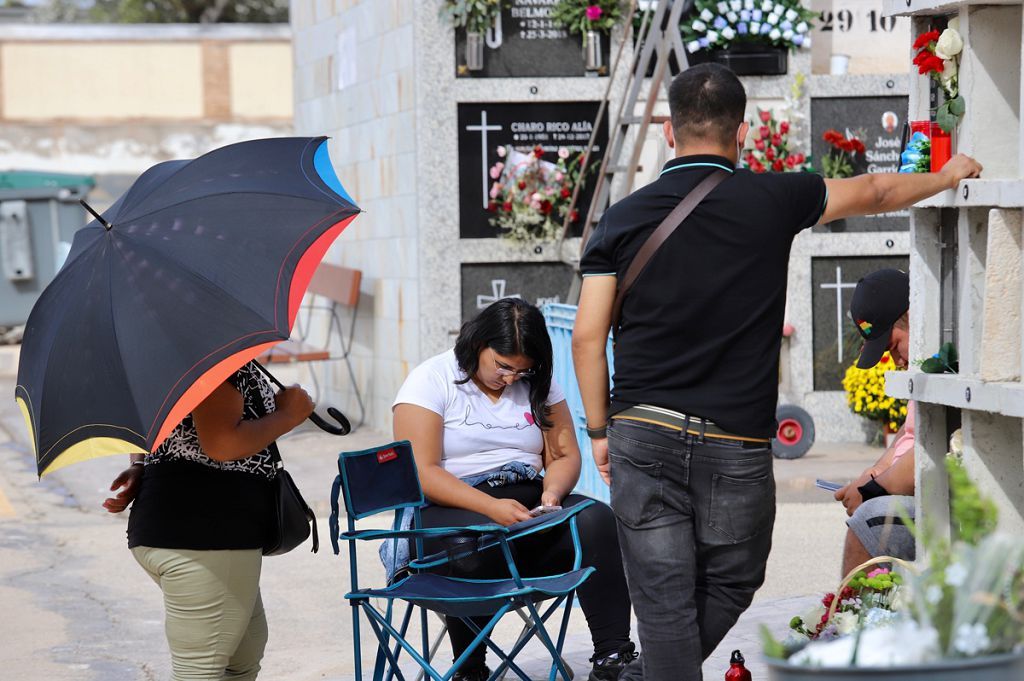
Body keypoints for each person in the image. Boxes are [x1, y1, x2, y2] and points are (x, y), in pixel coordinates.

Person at [571, 62, 983, 681]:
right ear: (742, 133)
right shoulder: (772, 197)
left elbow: (586, 334)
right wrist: (945, 175)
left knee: (662, 600)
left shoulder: (621, 218)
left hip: (641, 430)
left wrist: (599, 431)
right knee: (735, 580)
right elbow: (871, 191)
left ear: (669, 132)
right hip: (733, 442)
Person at [393, 298, 637, 681]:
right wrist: (490, 508)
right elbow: (420, 473)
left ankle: (612, 656)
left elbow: (564, 455)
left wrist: (553, 494)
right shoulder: (432, 378)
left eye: (521, 372)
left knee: (597, 520)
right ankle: (469, 668)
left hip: (528, 509)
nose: (510, 379)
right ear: (477, 344)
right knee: (467, 542)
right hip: (452, 506)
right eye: (502, 366)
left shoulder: (538, 383)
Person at [104, 362, 313, 680]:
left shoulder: (167, 358)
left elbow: (143, 421)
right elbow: (221, 444)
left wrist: (139, 465)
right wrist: (287, 416)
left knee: (244, 653)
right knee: (200, 670)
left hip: (193, 532)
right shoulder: (210, 363)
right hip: (205, 534)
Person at [836, 269, 916, 576]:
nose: (896, 361)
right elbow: (907, 435)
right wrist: (875, 472)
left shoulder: (947, 364)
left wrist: (871, 490)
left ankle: (847, 619)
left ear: (912, 315)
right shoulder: (922, 368)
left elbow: (930, 453)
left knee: (870, 519)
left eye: (894, 344)